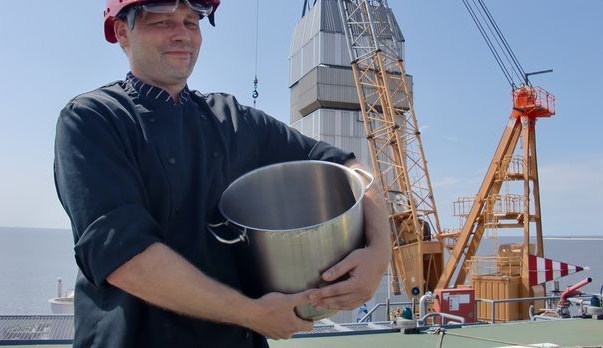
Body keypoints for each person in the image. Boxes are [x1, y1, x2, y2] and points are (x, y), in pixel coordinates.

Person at [53, 0, 391, 347]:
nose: (182, 34)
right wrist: (250, 313)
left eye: (191, 22)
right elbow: (125, 256)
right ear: (123, 33)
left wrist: (379, 255)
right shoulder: (94, 119)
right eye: (162, 23)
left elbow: (350, 168)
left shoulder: (232, 120)